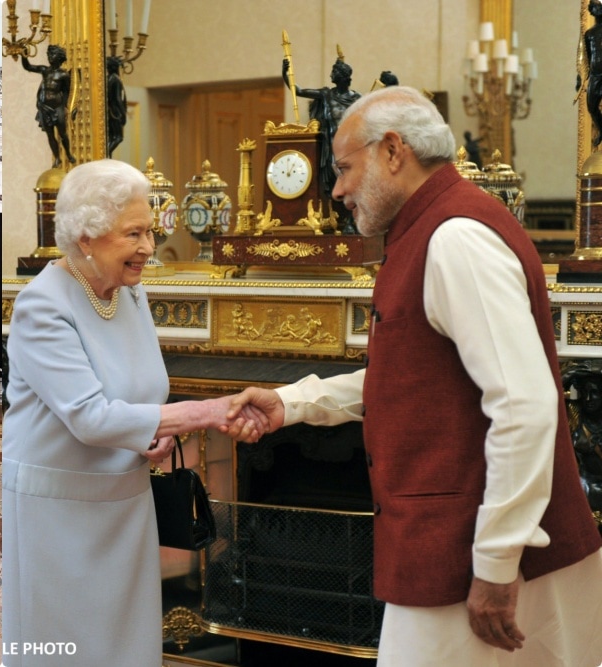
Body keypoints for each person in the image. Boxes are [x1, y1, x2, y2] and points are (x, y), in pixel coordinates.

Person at [227, 86, 602, 666]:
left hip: (473, 558)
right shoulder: (432, 229)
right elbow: (419, 376)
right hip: (457, 549)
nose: (337, 190)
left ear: (393, 150)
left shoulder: (455, 238)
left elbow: (524, 405)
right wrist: (293, 403)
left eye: (344, 168)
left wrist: (497, 560)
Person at [2, 159, 267, 666]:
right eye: (134, 233)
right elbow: (90, 417)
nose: (149, 246)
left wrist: (155, 428)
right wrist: (205, 413)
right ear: (86, 237)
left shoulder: (129, 291)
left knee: (124, 644)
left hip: (125, 501)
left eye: (150, 231)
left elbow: (145, 390)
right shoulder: (43, 306)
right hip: (58, 512)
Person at [283, 52, 361, 234]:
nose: (331, 75)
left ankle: (351, 220)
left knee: (353, 181)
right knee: (335, 182)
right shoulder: (326, 94)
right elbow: (298, 91)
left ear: (343, 77)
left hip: (352, 147)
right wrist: (284, 74)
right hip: (331, 146)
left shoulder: (357, 98)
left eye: (334, 72)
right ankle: (336, 218)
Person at [22, 44, 76, 169]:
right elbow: (28, 66)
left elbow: (67, 92)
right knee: (50, 135)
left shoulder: (63, 75)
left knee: (63, 133)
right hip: (44, 107)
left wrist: (66, 106)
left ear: (59, 57)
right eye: (49, 54)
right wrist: (23, 54)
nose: (50, 56)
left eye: (53, 54)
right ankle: (57, 158)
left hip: (57, 107)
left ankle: (68, 153)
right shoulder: (44, 70)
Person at [580, 0, 602, 149]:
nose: (596, 11)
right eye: (594, 8)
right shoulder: (589, 34)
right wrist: (580, 79)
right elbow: (586, 57)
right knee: (591, 106)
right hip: (595, 75)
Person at [105, 55, 126, 158]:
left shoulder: (108, 78)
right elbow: (118, 98)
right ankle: (106, 155)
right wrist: (123, 113)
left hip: (110, 111)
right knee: (118, 137)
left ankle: (107, 155)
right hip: (115, 111)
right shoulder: (116, 79)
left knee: (111, 137)